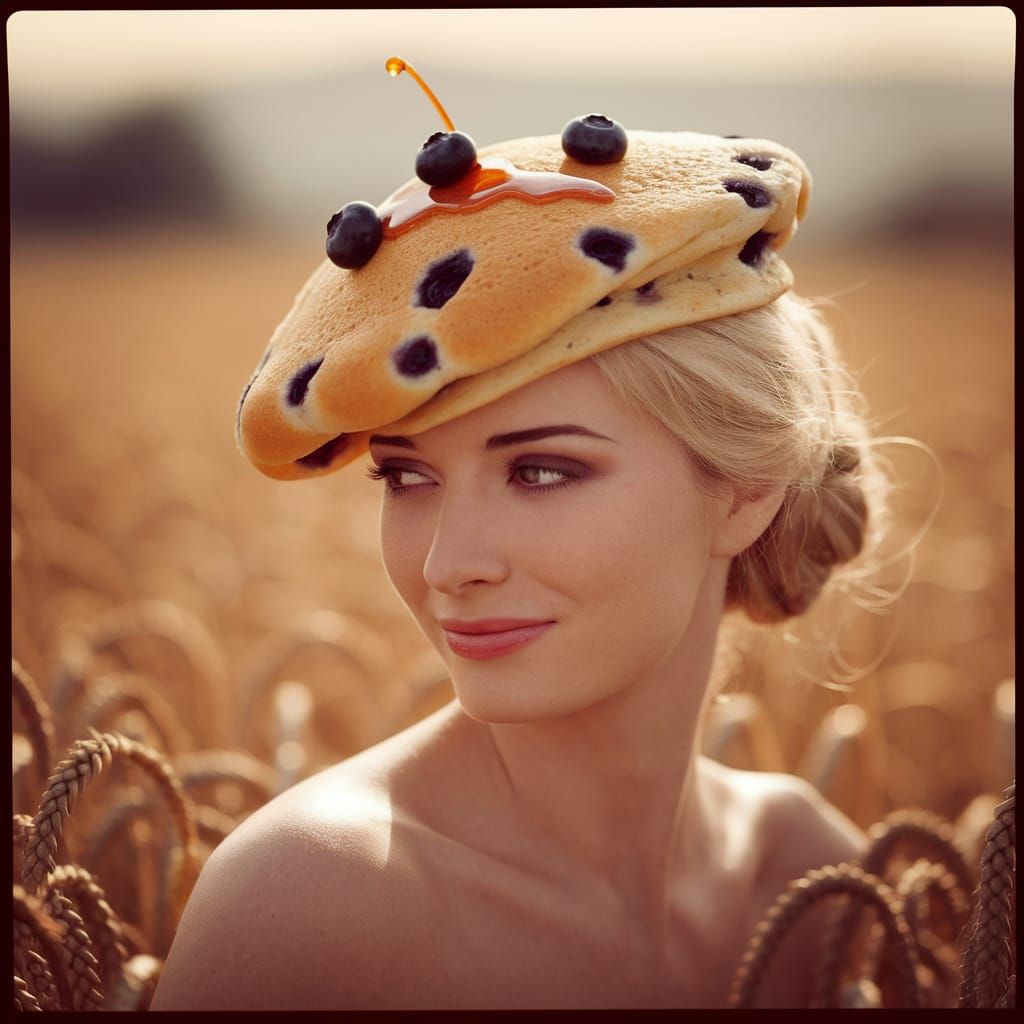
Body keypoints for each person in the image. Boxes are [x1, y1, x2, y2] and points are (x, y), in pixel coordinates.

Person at [152, 100, 887, 1010]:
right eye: (407, 479)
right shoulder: (309, 909)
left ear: (746, 492)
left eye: (540, 471)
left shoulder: (820, 886)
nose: (447, 565)